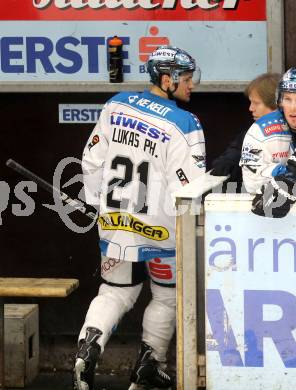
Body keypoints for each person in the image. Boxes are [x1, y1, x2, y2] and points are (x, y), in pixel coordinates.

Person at [73, 45, 206, 390]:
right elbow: (191, 186)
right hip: (163, 233)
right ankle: (149, 365)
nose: (193, 85)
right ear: (168, 79)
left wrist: (92, 201)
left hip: (116, 226)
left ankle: (87, 350)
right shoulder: (185, 123)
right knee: (166, 297)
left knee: (115, 293)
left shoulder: (115, 104)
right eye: (188, 79)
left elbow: (90, 161)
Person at [239, 67, 296, 218]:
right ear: (279, 101)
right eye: (288, 99)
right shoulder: (261, 130)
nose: (293, 108)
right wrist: (285, 174)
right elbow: (252, 183)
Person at [210, 73, 281, 185]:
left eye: (256, 103)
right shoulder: (254, 132)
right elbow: (236, 150)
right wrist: (229, 160)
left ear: (276, 104)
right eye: (250, 102)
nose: (250, 108)